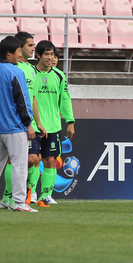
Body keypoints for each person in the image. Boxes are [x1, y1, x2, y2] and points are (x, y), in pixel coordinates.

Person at [33, 41, 75, 207]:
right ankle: (32, 193)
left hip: (53, 126)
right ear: (38, 56)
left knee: (50, 160)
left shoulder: (59, 76)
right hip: (34, 126)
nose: (50, 58)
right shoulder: (30, 74)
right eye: (46, 54)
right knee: (33, 160)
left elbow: (65, 100)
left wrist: (70, 121)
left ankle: (46, 195)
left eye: (52, 54)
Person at [0, 36, 37, 212]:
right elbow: (22, 100)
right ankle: (19, 202)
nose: (20, 55)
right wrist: (29, 124)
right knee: (20, 165)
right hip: (14, 128)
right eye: (18, 51)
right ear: (9, 53)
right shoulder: (16, 72)